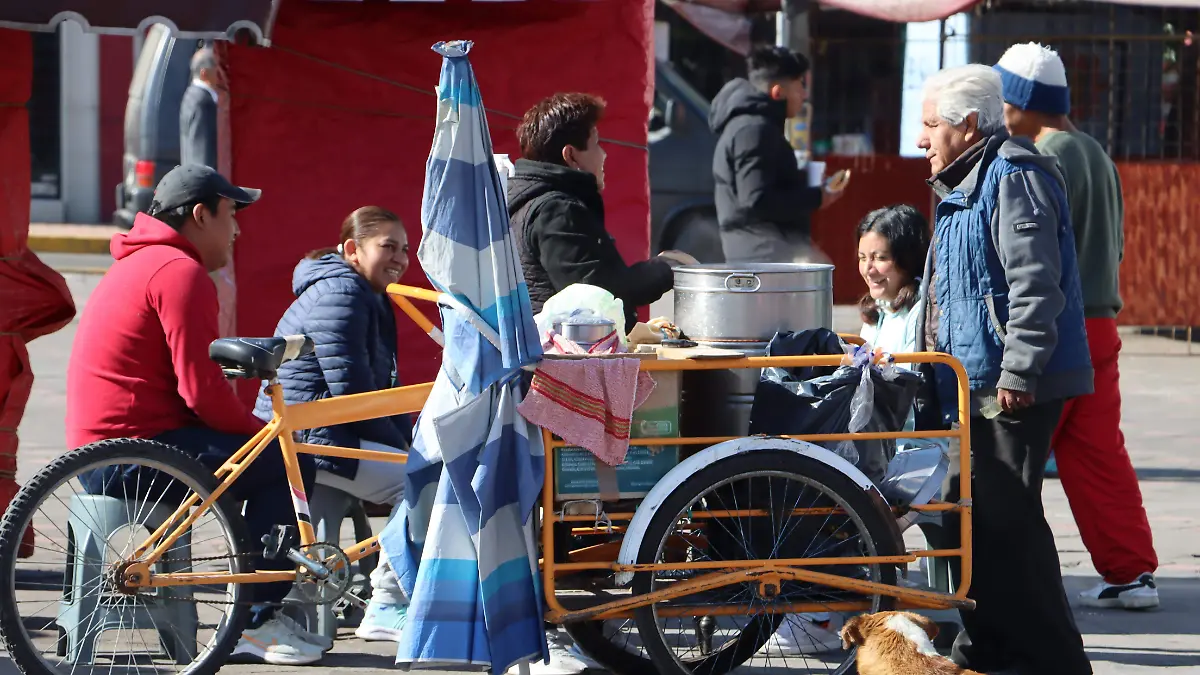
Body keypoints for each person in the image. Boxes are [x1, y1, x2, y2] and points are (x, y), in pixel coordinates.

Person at [65, 164, 326, 665]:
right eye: (231, 213)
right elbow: (202, 394)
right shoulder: (178, 272)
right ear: (201, 215)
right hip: (136, 453)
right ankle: (259, 622)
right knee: (287, 465)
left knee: (262, 457)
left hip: (101, 450)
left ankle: (256, 607)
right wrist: (265, 436)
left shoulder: (140, 263)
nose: (238, 228)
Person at [914, 64, 1094, 675]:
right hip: (970, 382)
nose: (921, 139)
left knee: (1008, 519)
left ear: (967, 126)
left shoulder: (1012, 176)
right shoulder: (962, 181)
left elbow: (1036, 288)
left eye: (930, 125)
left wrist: (1019, 372)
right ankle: (989, 644)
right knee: (970, 516)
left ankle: (1055, 659)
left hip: (1012, 386)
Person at [996, 42, 1159, 610]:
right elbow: (1111, 249)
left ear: (1020, 101)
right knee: (1099, 455)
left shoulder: (1042, 157)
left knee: (1008, 458)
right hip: (1101, 324)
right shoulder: (1095, 153)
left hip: (1057, 330)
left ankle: (1008, 583)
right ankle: (1132, 572)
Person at [253, 206, 414, 641]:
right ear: (352, 250)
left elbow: (377, 387)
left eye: (405, 249)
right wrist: (410, 450)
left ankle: (305, 622)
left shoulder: (361, 290)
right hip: (315, 438)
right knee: (426, 482)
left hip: (314, 434)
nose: (400, 258)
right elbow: (355, 394)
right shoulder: (345, 293)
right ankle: (388, 601)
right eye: (388, 247)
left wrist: (408, 436)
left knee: (415, 465)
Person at [507, 92, 695, 337]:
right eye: (596, 144)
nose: (603, 155)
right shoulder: (556, 210)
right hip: (561, 361)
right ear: (571, 155)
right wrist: (665, 268)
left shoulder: (525, 196)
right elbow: (597, 298)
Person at [710, 46, 844, 264]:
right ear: (778, 92)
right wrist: (817, 197)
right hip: (763, 252)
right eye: (800, 84)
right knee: (818, 273)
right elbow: (757, 199)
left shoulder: (757, 126)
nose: (804, 94)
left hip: (767, 248)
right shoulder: (753, 130)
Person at [857, 205, 930, 359]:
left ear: (908, 260)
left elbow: (908, 378)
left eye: (880, 258)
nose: (867, 269)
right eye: (862, 258)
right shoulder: (876, 309)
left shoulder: (920, 311)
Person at [181, 47, 221, 169]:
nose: (220, 73)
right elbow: (203, 151)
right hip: (202, 180)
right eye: (216, 68)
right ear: (205, 73)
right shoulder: (204, 103)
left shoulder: (190, 95)